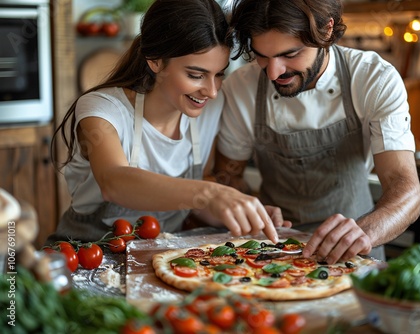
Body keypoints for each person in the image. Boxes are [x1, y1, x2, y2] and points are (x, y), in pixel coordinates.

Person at [47, 0, 288, 244]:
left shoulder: (211, 106)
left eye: (219, 74)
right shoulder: (102, 108)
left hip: (162, 251)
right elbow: (114, 181)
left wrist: (240, 213)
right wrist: (212, 191)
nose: (211, 91)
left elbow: (194, 203)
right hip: (86, 252)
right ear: (155, 61)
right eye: (196, 75)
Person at [211, 0, 420, 263]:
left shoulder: (373, 79)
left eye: (290, 54)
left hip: (354, 255)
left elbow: (407, 191)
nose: (274, 72)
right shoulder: (241, 88)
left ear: (325, 30)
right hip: (270, 255)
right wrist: (251, 208)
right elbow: (227, 178)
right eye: (262, 56)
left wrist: (361, 233)